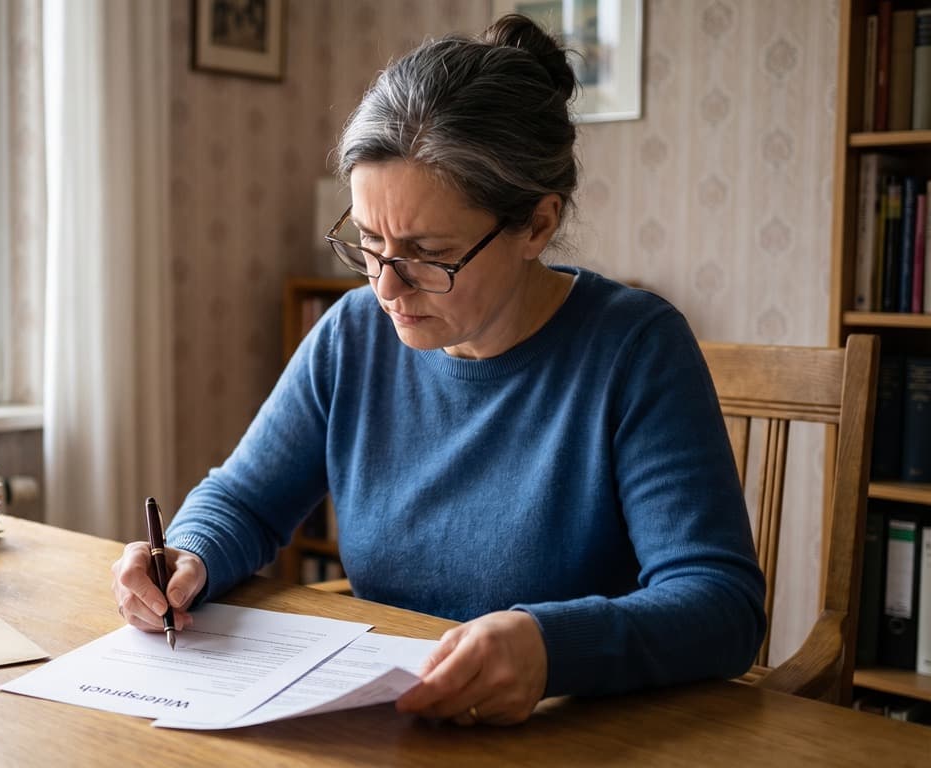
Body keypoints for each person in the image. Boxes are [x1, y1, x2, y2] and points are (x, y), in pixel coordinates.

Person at [111, 14, 766, 727]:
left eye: (426, 253)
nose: (386, 287)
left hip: (570, 735)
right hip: (393, 725)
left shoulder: (635, 350)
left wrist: (553, 645)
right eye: (367, 242)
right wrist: (188, 556)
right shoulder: (352, 335)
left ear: (537, 226)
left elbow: (720, 604)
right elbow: (244, 501)